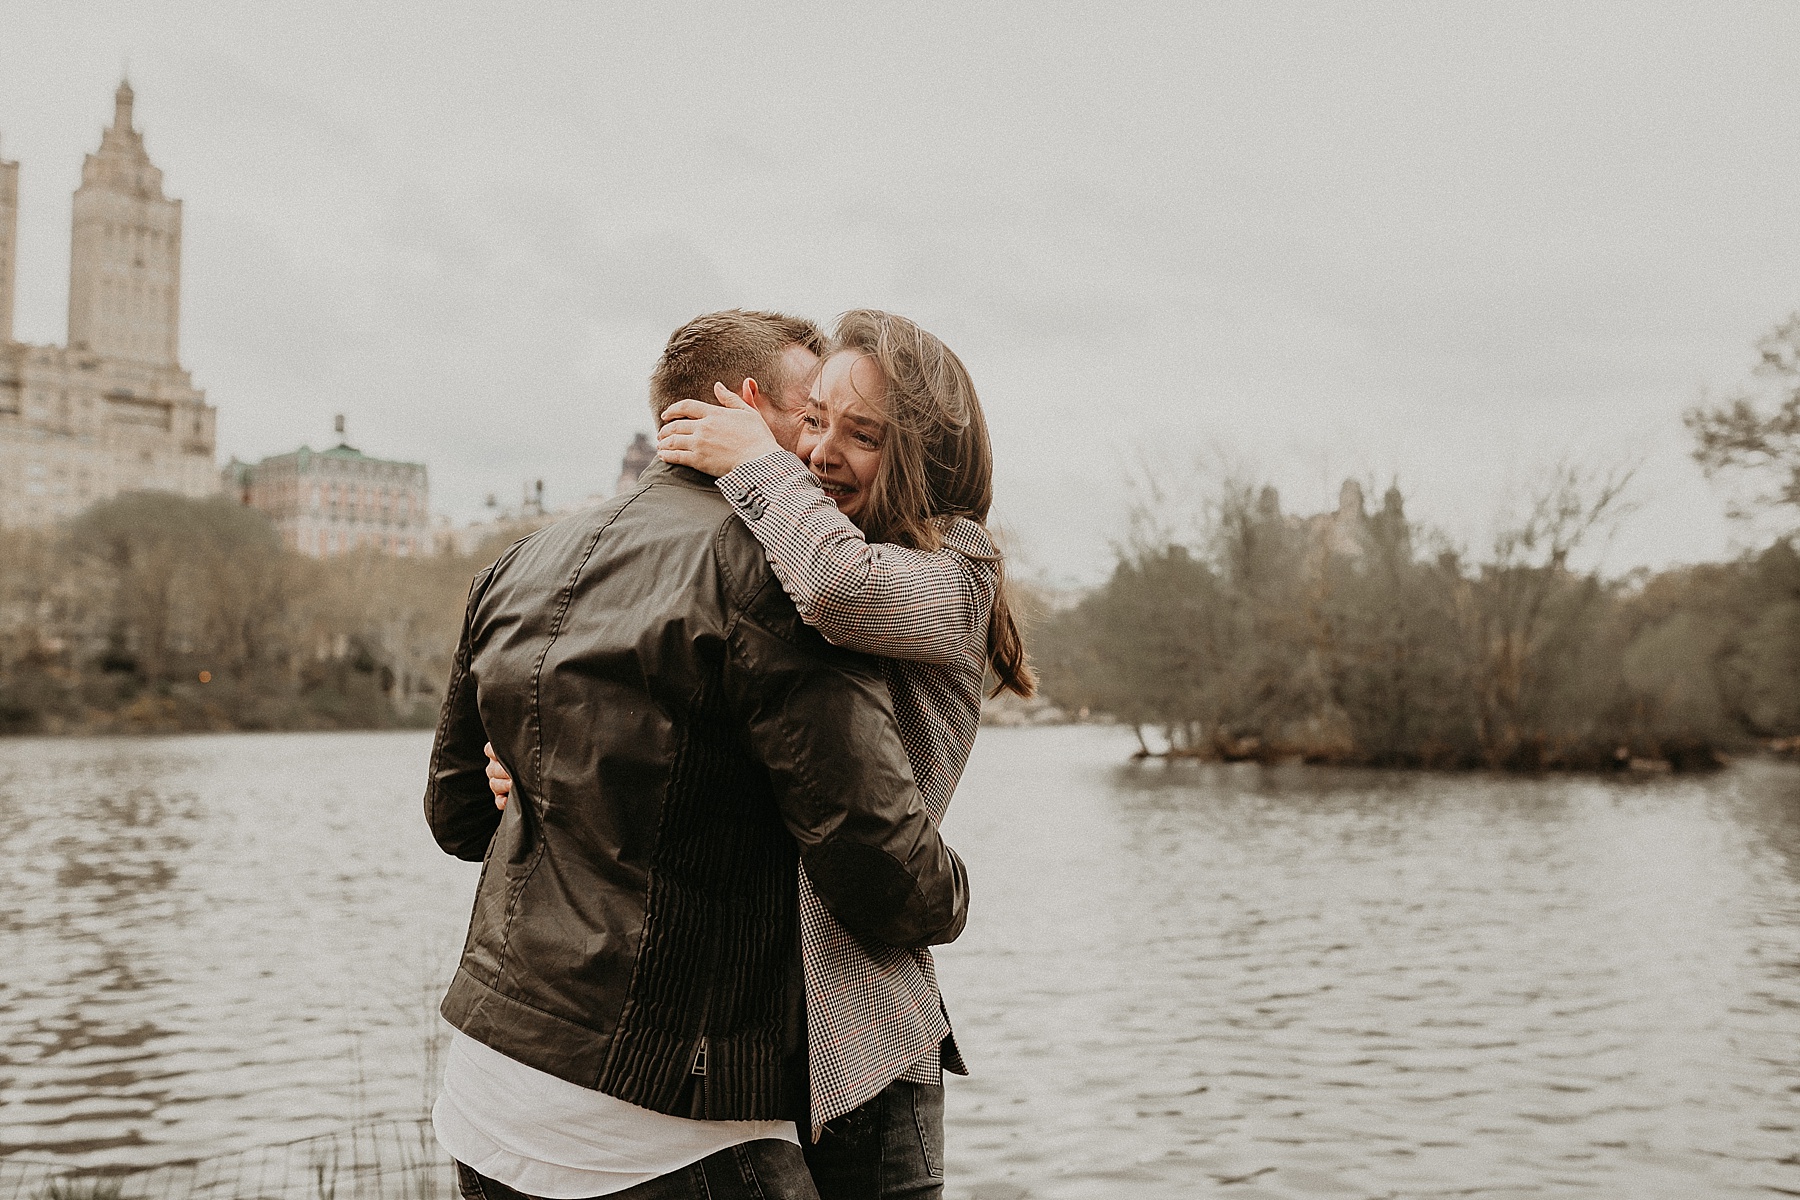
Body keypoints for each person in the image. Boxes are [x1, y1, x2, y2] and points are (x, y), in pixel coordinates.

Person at [425, 309, 970, 1200]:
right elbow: (880, 867)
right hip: (665, 1116)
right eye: (814, 413)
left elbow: (456, 817)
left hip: (489, 1098)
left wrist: (540, 780)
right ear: (748, 406)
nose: (826, 446)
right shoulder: (771, 575)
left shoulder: (516, 564)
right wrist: (955, 896)